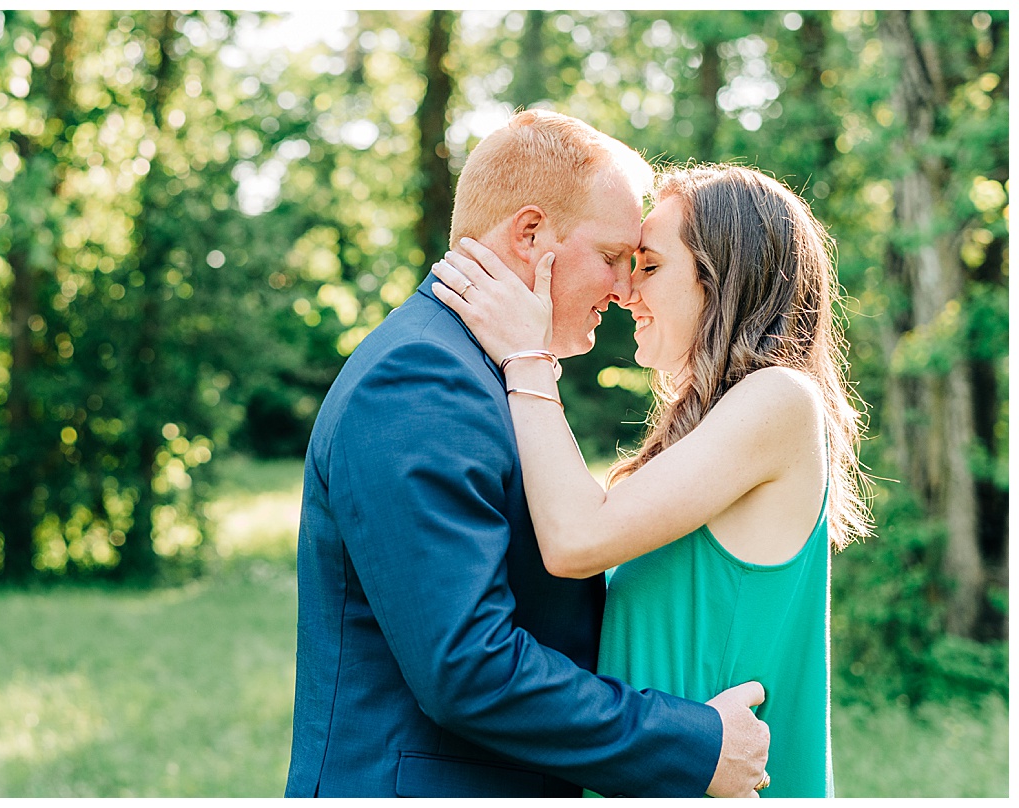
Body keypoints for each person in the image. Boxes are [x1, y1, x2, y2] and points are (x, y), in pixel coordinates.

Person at [286, 111, 770, 799]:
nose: (623, 289)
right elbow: (467, 668)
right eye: (610, 258)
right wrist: (691, 744)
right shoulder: (423, 377)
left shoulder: (490, 371)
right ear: (530, 233)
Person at [432, 163, 874, 798]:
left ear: (723, 277)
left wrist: (528, 358)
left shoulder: (779, 400)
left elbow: (576, 539)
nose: (625, 291)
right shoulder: (709, 431)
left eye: (650, 266)